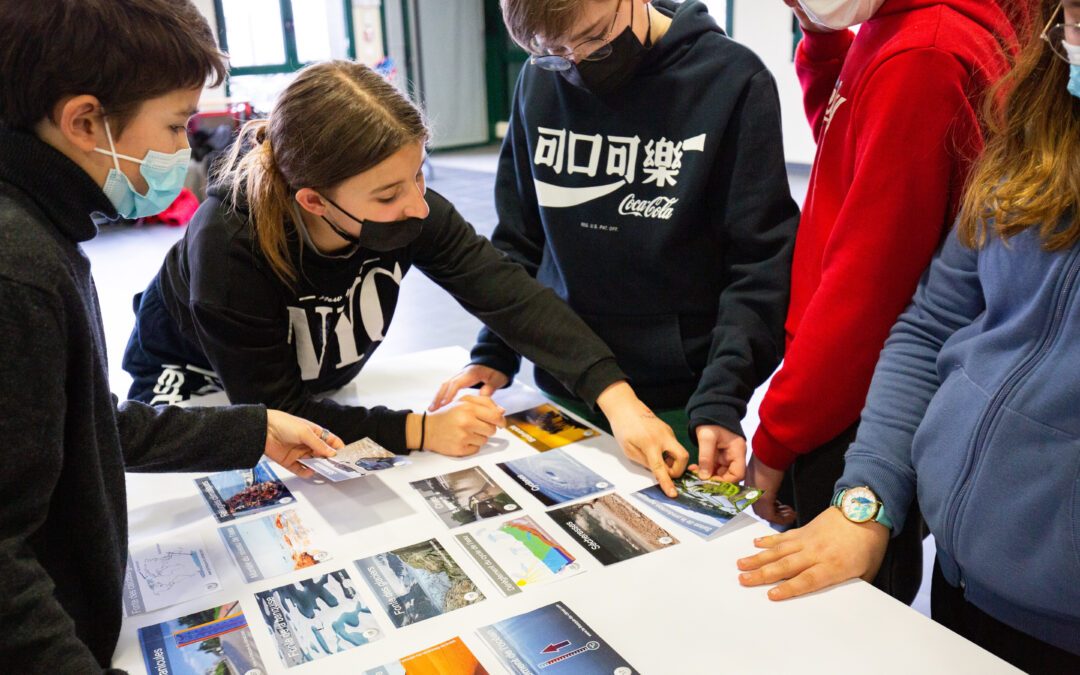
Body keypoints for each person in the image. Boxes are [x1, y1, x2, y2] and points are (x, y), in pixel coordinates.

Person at [123, 59, 691, 496]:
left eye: (418, 176)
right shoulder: (229, 243)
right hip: (197, 385)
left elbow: (510, 296)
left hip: (309, 383)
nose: (418, 206)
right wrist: (422, 430)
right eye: (390, 194)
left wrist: (618, 401)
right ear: (314, 201)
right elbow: (277, 412)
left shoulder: (408, 207)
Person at [0, 1, 344, 670]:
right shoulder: (19, 271)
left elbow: (79, 423)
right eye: (175, 124)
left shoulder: (43, 228)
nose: (186, 148)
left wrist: (250, 431)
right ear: (83, 121)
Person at [737, 2, 1080, 669]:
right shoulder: (1044, 126)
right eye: (1072, 15)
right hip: (966, 574)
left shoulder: (924, 54)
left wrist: (781, 428)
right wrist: (870, 494)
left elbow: (869, 284)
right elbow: (931, 322)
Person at [435, 0, 800, 485]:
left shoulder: (731, 80)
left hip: (678, 399)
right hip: (562, 379)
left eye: (592, 39)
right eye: (554, 52)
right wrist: (495, 352)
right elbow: (518, 239)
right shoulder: (539, 78)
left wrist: (722, 396)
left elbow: (758, 264)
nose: (577, 64)